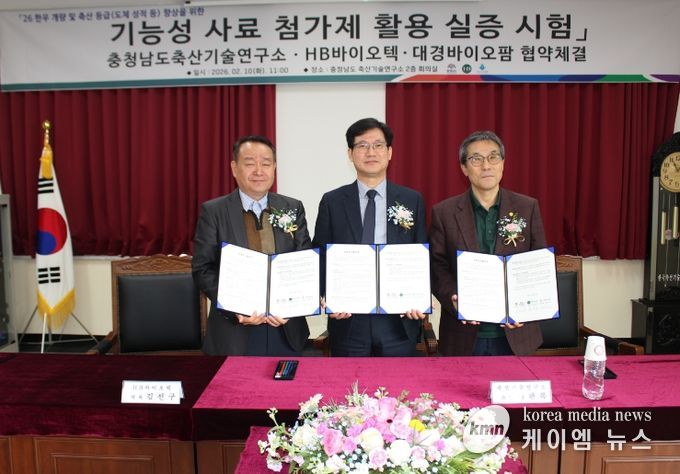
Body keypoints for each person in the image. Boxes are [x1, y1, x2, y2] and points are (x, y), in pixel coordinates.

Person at [313, 117, 428, 356]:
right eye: (362, 146)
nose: (371, 152)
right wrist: (326, 295)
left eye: (378, 145)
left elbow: (421, 254)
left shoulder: (412, 200)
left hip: (398, 320)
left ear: (389, 152)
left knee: (398, 381)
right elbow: (320, 254)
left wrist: (420, 297)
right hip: (348, 319)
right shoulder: (332, 201)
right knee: (349, 380)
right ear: (350, 153)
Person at [430, 130, 546, 356]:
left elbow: (538, 262)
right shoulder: (444, 212)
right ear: (464, 168)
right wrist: (453, 296)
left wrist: (527, 305)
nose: (486, 166)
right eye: (476, 159)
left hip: (516, 333)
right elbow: (437, 266)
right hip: (463, 334)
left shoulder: (527, 207)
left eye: (493, 157)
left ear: (502, 163)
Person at [192, 135, 311, 356]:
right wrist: (234, 308)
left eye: (266, 163)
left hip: (285, 329)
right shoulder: (214, 211)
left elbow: (304, 262)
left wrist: (293, 306)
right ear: (234, 168)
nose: (258, 171)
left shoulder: (292, 207)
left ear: (274, 168)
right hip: (235, 330)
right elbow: (203, 269)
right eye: (249, 163)